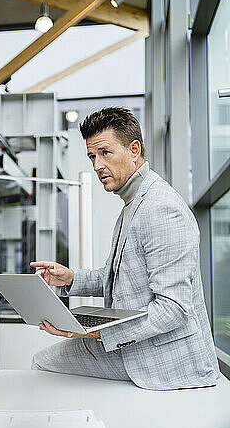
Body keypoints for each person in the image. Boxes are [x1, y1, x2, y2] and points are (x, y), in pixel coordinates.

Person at [31, 107, 219, 391]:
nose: (96, 165)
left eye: (105, 153)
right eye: (92, 156)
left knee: (42, 363)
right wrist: (69, 278)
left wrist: (93, 334)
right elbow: (116, 278)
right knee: (44, 361)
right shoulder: (133, 206)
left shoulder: (161, 209)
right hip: (139, 343)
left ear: (134, 150)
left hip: (166, 360)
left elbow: (173, 309)